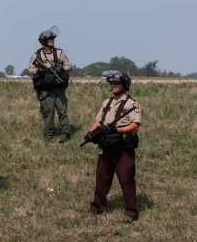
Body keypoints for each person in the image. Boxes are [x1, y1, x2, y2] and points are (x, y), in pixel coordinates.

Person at [85, 70, 142, 222]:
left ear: (124, 84)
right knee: (101, 178)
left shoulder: (132, 104)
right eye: (111, 83)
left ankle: (131, 212)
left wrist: (117, 129)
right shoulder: (107, 102)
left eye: (116, 83)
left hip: (123, 147)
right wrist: (91, 133)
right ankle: (97, 207)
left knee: (126, 179)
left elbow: (135, 126)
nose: (113, 86)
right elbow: (98, 121)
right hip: (106, 146)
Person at [27, 27, 73, 143]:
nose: (52, 40)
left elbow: (69, 66)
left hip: (58, 88)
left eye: (53, 38)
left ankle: (65, 134)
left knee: (62, 111)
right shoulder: (36, 55)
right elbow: (30, 70)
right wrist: (40, 71)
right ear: (44, 41)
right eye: (50, 39)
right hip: (46, 89)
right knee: (48, 112)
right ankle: (48, 135)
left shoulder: (59, 52)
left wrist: (60, 69)